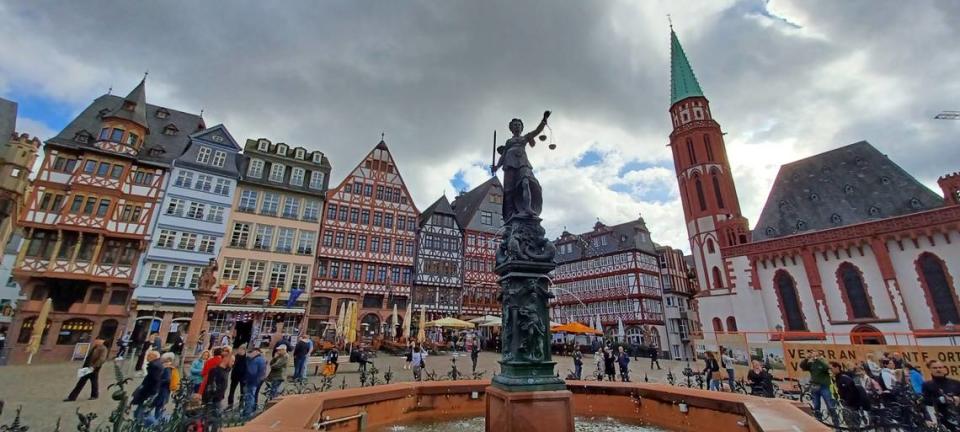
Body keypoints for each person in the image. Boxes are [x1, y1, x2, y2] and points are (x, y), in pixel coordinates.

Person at [799, 351, 839, 425]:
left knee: (830, 406)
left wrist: (818, 359)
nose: (813, 356)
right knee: (816, 406)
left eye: (815, 354)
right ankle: (819, 423)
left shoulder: (823, 361)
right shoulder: (811, 364)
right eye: (813, 354)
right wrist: (806, 359)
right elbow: (802, 366)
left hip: (824, 387)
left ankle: (837, 425)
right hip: (815, 387)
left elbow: (827, 367)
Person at [922, 359, 960, 430]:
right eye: (935, 368)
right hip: (942, 418)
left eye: (940, 367)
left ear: (944, 368)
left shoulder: (956, 383)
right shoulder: (927, 385)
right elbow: (926, 401)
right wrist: (939, 400)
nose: (938, 369)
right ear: (930, 369)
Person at [131, 351, 163, 422]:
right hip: (149, 390)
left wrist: (150, 390)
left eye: (148, 356)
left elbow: (155, 380)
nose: (147, 357)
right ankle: (137, 420)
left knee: (141, 407)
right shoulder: (157, 364)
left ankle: (138, 423)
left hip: (148, 391)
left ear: (153, 357)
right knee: (141, 407)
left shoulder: (154, 366)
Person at [242, 347, 266, 418]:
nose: (249, 354)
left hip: (252, 382)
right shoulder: (262, 359)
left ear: (255, 352)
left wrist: (246, 380)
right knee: (253, 395)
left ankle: (247, 414)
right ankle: (251, 410)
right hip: (258, 380)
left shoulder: (255, 360)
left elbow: (252, 372)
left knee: (249, 397)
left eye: (250, 352)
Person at [153, 352, 176, 420]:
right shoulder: (168, 367)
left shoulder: (167, 368)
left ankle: (157, 420)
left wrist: (159, 381)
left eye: (163, 359)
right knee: (159, 405)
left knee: (159, 405)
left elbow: (167, 379)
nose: (161, 360)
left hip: (163, 390)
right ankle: (157, 418)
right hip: (164, 390)